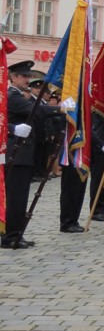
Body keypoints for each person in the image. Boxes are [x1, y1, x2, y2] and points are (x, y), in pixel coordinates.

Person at [3, 60, 41, 248]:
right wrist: (63, 109)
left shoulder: (18, 95)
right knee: (16, 197)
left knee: (20, 196)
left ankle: (16, 232)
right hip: (16, 154)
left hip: (23, 154)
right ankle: (10, 235)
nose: (28, 79)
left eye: (28, 75)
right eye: (24, 76)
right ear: (13, 77)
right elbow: (36, 111)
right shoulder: (12, 96)